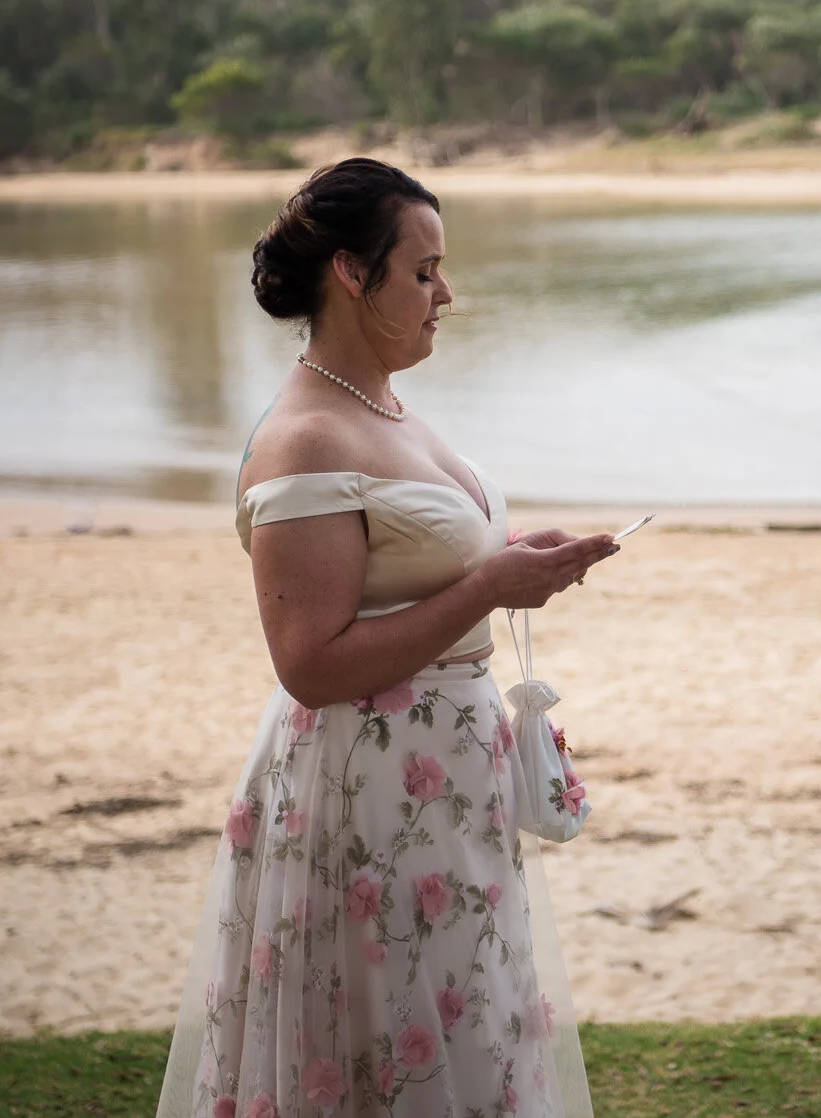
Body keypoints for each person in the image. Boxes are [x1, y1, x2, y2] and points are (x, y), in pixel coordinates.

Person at [157, 158, 617, 1118]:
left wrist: (508, 556)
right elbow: (310, 663)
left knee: (473, 1034)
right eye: (423, 272)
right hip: (365, 795)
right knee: (387, 1053)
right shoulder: (305, 440)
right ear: (350, 274)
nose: (445, 293)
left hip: (447, 789)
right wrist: (490, 583)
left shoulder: (387, 407)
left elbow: (409, 562)